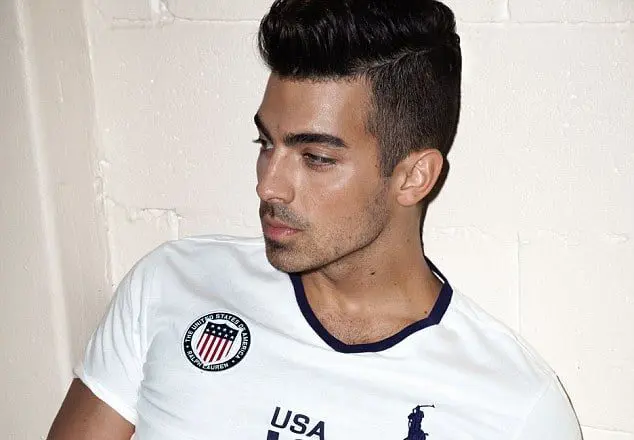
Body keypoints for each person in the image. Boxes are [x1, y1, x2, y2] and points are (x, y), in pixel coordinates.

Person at [47, 0, 583, 439]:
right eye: (266, 143)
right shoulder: (172, 283)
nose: (269, 185)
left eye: (317, 157)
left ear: (414, 176)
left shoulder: (514, 407)